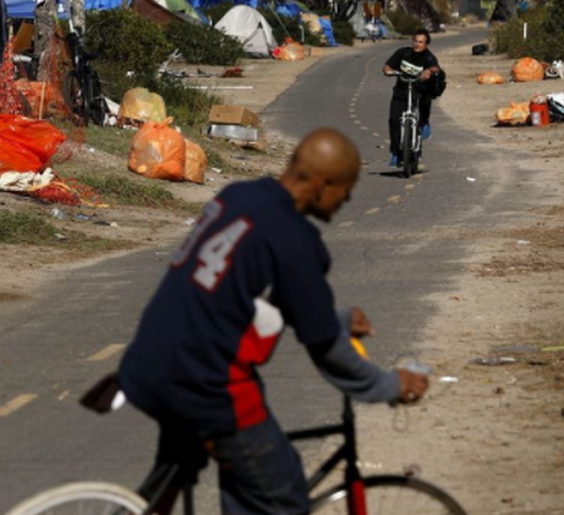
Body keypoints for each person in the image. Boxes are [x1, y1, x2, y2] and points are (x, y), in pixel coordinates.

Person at [118, 129, 429, 515]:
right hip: (206, 385)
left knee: (232, 487)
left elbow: (243, 299)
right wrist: (385, 383)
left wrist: (337, 319)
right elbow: (326, 349)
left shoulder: (239, 196)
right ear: (323, 183)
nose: (347, 199)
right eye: (345, 189)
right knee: (280, 489)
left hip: (149, 363)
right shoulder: (296, 240)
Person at [383, 29, 441, 168]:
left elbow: (436, 68)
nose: (417, 44)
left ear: (426, 44)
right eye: (415, 41)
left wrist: (429, 71)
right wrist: (389, 71)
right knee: (394, 119)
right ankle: (396, 153)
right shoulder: (403, 53)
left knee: (424, 102)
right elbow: (387, 66)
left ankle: (424, 122)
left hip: (419, 90)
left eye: (421, 42)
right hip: (401, 90)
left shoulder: (428, 57)